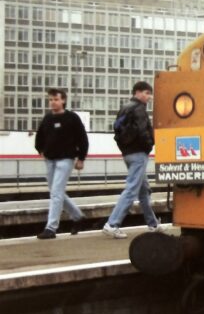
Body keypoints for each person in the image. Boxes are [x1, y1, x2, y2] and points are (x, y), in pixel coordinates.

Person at [102, 81, 164, 238]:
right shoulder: (138, 109)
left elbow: (116, 130)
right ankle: (112, 224)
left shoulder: (125, 108)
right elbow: (143, 131)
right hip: (138, 154)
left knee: (143, 190)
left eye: (149, 93)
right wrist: (149, 145)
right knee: (131, 189)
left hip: (128, 154)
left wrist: (126, 148)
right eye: (146, 93)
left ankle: (153, 224)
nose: (148, 97)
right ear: (137, 92)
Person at [34, 87, 88, 239]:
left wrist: (81, 158)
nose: (53, 102)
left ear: (63, 100)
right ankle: (78, 216)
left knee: (56, 192)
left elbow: (82, 138)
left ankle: (51, 228)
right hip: (50, 160)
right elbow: (40, 137)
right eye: (50, 100)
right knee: (56, 192)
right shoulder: (47, 118)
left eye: (56, 99)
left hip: (66, 159)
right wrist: (41, 151)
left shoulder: (72, 118)